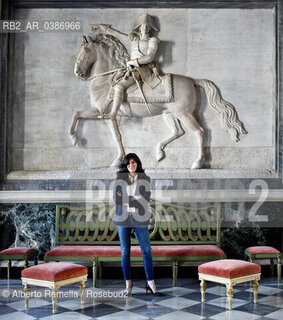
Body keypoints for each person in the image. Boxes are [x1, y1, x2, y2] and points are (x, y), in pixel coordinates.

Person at [91, 14, 162, 119]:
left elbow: (149, 57)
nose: (145, 28)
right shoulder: (134, 39)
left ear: (151, 28)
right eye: (143, 25)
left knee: (120, 86)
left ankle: (113, 114)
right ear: (139, 27)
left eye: (148, 26)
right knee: (112, 82)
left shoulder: (153, 40)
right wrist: (101, 26)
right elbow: (117, 34)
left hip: (143, 69)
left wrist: (134, 62)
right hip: (129, 68)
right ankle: (104, 108)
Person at [113, 153, 161, 295]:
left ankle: (150, 282)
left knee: (146, 250)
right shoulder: (119, 179)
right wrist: (135, 197)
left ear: (137, 163)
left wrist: (127, 198)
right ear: (125, 165)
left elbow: (146, 199)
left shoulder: (145, 179)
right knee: (125, 252)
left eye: (133, 163)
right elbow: (117, 199)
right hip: (123, 219)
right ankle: (128, 283)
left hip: (140, 218)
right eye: (128, 163)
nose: (131, 165)